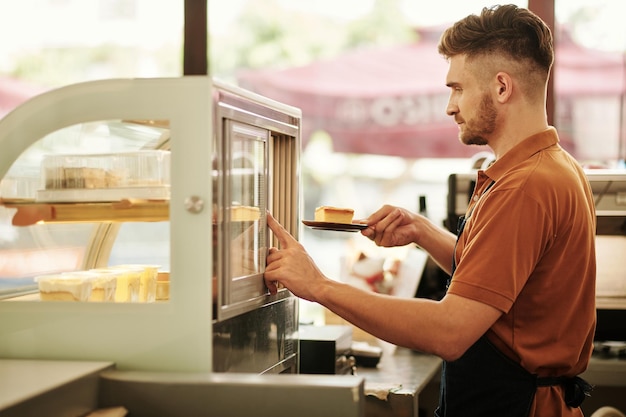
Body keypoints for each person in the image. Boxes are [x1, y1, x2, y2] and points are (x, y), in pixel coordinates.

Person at [264, 4, 596, 417]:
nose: (450, 106)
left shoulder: (524, 187)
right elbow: (501, 283)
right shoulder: (552, 165)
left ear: (501, 87)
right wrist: (421, 231)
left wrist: (319, 286)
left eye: (457, 88)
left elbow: (451, 330)